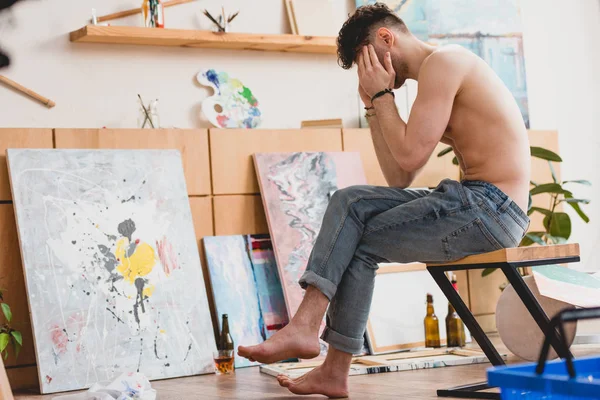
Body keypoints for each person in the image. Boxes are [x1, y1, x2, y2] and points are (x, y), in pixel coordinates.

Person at [239, 3, 531, 398]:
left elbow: (408, 158)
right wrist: (373, 104)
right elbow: (399, 176)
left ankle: (321, 348)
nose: (366, 71)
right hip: (477, 203)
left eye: (365, 59)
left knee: (357, 239)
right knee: (350, 201)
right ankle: (315, 342)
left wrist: (381, 94)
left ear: (386, 39)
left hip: (491, 208)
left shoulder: (444, 62)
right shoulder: (433, 75)